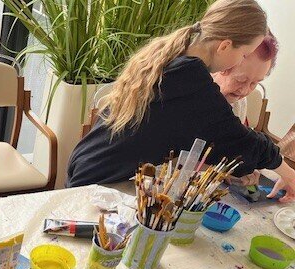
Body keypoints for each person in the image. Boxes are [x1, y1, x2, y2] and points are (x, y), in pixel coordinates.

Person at [67, 0, 295, 203]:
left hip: (87, 164)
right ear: (224, 46)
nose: (239, 62)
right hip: (95, 184)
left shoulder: (176, 56)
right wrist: (290, 175)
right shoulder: (191, 79)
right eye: (244, 55)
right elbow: (238, 139)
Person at [212, 32, 278, 125]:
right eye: (240, 80)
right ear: (219, 67)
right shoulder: (193, 95)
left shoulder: (239, 103)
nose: (244, 91)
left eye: (254, 83)